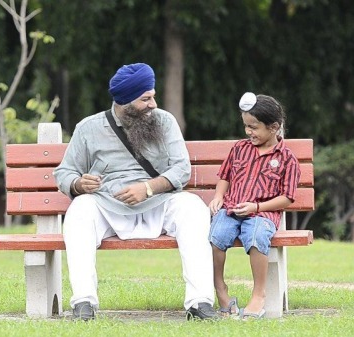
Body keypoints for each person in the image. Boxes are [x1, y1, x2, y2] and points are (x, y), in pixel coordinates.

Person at [53, 63, 217, 321]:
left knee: (194, 208)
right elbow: (64, 172)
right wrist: (78, 184)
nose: (153, 104)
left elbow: (182, 169)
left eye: (153, 96)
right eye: (145, 99)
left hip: (160, 201)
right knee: (79, 211)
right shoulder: (88, 128)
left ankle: (200, 303)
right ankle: (84, 303)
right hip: (108, 206)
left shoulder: (165, 121)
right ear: (125, 102)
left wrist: (149, 187)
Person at [207, 92, 301, 320]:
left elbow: (287, 197)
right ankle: (221, 290)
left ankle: (258, 295)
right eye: (246, 126)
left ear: (274, 127)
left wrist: (256, 208)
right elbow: (225, 176)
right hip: (231, 208)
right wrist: (219, 196)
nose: (249, 132)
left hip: (263, 213)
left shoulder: (287, 158)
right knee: (216, 234)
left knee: (258, 235)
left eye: (254, 127)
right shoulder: (240, 148)